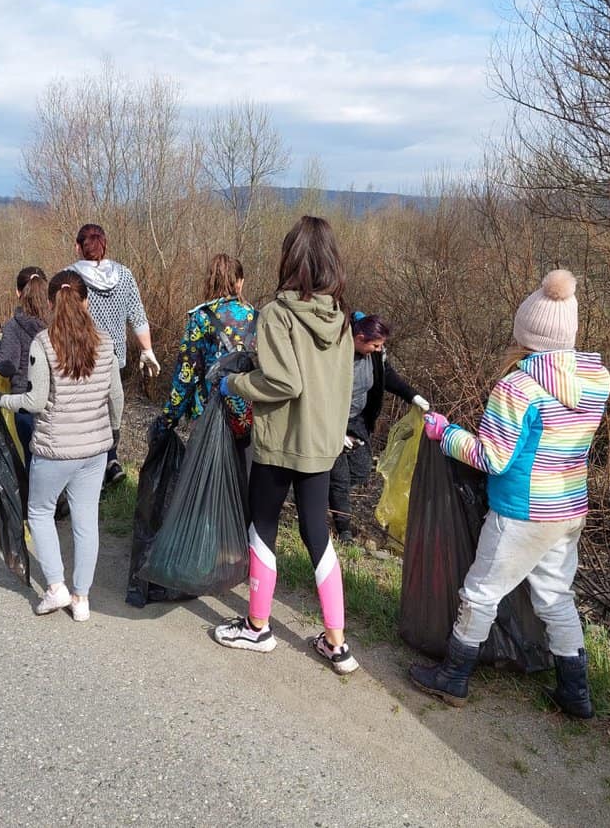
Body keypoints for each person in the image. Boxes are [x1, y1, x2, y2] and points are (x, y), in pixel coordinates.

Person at [409, 269, 610, 719]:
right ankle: (576, 694)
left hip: (521, 510)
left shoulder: (518, 387)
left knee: (481, 591)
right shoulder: (598, 381)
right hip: (568, 506)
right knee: (556, 596)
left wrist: (448, 434)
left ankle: (453, 677)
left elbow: (492, 457)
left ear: (525, 332)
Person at [210, 216, 360, 675]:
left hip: (280, 443)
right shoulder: (341, 316)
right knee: (318, 533)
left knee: (263, 526)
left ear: (290, 258)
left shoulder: (277, 314)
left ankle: (258, 626)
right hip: (322, 444)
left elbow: (283, 381)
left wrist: (234, 381)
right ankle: (337, 644)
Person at [0, 270, 123, 622]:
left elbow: (35, 400)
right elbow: (116, 397)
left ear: (51, 302)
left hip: (54, 449)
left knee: (40, 512)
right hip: (94, 450)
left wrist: (0, 400)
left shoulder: (43, 343)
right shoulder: (105, 342)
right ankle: (82, 598)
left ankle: (56, 586)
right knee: (86, 522)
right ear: (86, 300)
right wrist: (112, 431)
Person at [69, 223, 159, 486]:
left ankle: (91, 466)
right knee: (111, 408)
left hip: (80, 358)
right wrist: (147, 350)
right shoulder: (124, 275)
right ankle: (111, 457)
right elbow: (138, 317)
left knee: (84, 413)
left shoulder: (70, 278)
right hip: (112, 358)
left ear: (78, 247)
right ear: (105, 246)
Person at [328, 312, 430, 544]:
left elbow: (387, 376)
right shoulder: (335, 354)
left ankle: (321, 488)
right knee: (339, 477)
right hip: (330, 420)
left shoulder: (373, 356)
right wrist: (334, 433)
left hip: (356, 421)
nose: (377, 349)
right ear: (359, 337)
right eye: (374, 345)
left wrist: (412, 396)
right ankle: (343, 528)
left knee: (362, 468)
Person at [151, 253, 256, 445]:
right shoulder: (259, 318)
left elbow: (186, 375)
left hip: (209, 418)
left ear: (210, 282)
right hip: (249, 419)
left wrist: (167, 420)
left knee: (204, 475)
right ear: (239, 283)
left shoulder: (201, 318)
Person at [0, 266, 49, 463]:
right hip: (56, 401)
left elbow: (7, 366)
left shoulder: (14, 326)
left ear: (18, 292)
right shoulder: (58, 322)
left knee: (33, 463)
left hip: (26, 403)